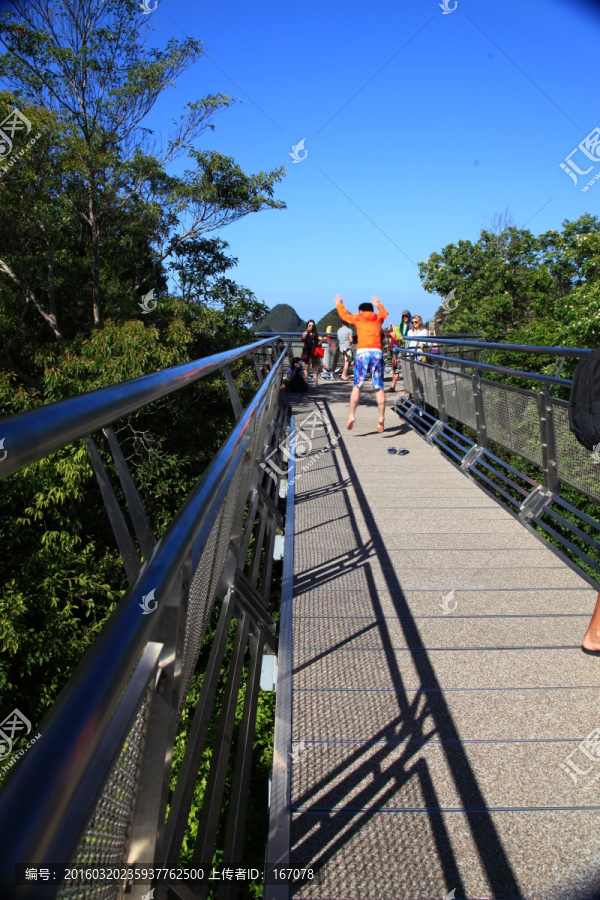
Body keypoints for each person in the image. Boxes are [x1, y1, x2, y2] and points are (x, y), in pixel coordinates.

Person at [335, 293, 388, 432]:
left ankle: (351, 415)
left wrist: (339, 303)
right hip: (377, 352)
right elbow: (385, 313)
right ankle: (381, 418)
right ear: (372, 310)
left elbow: (344, 315)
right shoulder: (377, 318)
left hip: (362, 353)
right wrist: (378, 304)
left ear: (361, 311)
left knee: (357, 386)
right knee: (378, 386)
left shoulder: (358, 318)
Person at [301, 320, 322, 387]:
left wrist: (320, 341)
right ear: (307, 326)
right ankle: (306, 382)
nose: (311, 327)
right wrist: (307, 332)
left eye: (312, 326)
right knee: (306, 367)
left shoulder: (316, 334)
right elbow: (303, 339)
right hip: (307, 351)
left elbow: (318, 343)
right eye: (309, 326)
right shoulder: (305, 333)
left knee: (314, 368)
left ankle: (316, 382)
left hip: (314, 352)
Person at [385, 324, 403, 393]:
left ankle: (392, 387)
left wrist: (389, 328)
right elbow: (387, 334)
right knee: (395, 369)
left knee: (396, 370)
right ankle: (392, 386)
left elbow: (387, 333)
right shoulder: (396, 335)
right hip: (394, 354)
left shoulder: (395, 335)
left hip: (396, 354)